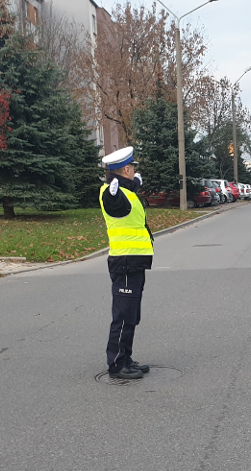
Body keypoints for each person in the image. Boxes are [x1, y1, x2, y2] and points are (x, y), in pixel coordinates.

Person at [99, 146, 154, 380]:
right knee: (123, 314)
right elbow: (115, 203)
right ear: (127, 169)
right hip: (125, 261)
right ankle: (117, 364)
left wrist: (134, 185)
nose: (134, 173)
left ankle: (126, 357)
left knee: (131, 314)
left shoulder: (127, 189)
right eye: (132, 169)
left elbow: (128, 195)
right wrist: (114, 194)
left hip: (134, 262)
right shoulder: (111, 193)